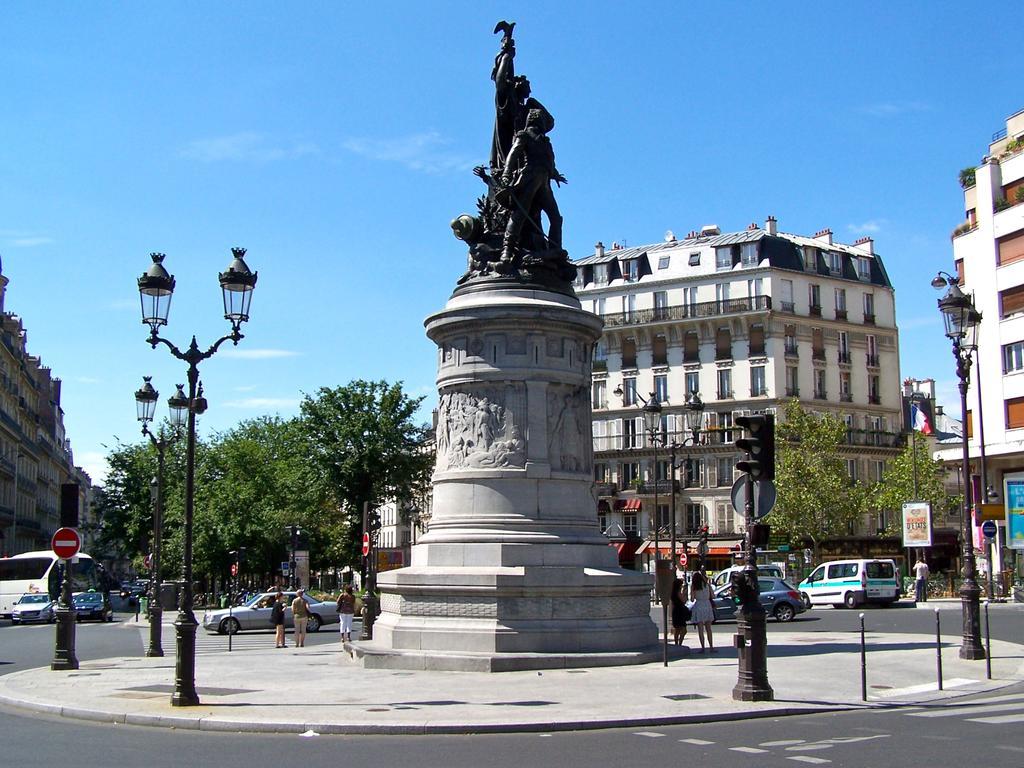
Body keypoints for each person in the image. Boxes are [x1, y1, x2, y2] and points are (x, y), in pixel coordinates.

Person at [689, 571, 715, 653]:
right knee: (709, 629)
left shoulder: (694, 586)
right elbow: (713, 596)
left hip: (699, 605)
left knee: (700, 629)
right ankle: (711, 647)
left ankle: (703, 647)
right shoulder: (707, 585)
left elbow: (692, 599)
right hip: (707, 605)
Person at [670, 577, 690, 646]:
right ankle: (679, 644)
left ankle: (677, 643)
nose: (682, 586)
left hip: (676, 611)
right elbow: (684, 600)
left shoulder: (673, 593)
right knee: (683, 630)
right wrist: (684, 593)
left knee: (677, 629)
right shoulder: (678, 592)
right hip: (679, 612)